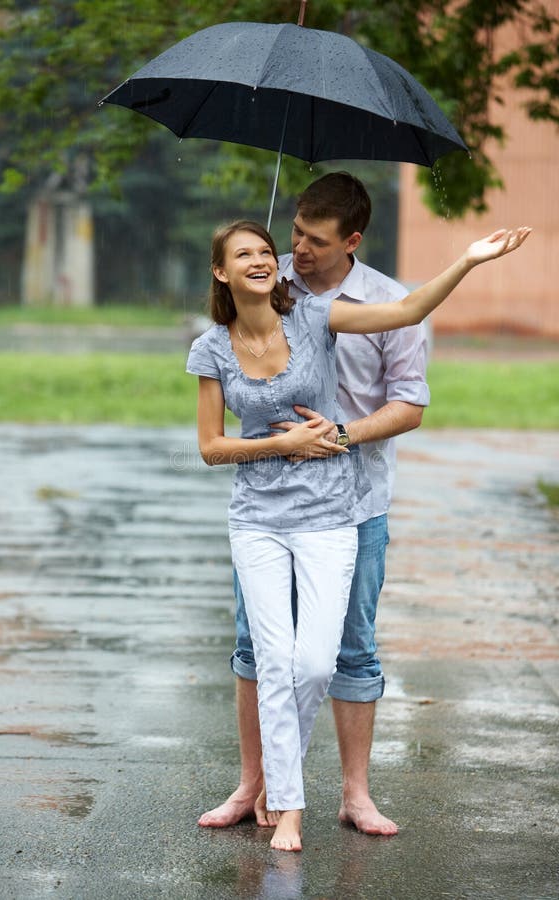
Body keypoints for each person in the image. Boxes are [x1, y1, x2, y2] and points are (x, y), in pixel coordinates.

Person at [186, 217, 530, 852]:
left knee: (315, 664)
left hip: (330, 515)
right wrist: (285, 442)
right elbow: (209, 447)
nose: (265, 259)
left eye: (267, 250)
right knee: (271, 660)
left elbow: (406, 309)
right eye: (246, 254)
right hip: (257, 521)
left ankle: (283, 780)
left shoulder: (317, 318)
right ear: (221, 272)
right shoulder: (212, 347)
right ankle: (287, 807)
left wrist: (470, 260)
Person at [198, 173, 430, 840]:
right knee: (256, 647)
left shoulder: (385, 302)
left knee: (348, 650)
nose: (297, 248)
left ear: (351, 241)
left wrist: (338, 436)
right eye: (294, 232)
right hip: (271, 508)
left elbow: (410, 403)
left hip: (357, 501)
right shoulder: (276, 294)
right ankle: (255, 784)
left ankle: (355, 794)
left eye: (315, 240)